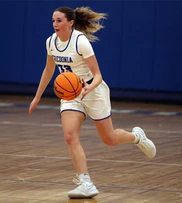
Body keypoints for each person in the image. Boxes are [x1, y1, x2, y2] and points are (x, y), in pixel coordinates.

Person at [28, 6, 156, 199]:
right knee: (70, 136)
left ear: (70, 22)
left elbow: (97, 75)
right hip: (70, 95)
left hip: (93, 90)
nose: (55, 24)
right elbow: (48, 70)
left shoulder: (80, 41)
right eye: (53, 20)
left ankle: (137, 137)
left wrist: (89, 88)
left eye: (59, 20)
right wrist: (37, 96)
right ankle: (85, 182)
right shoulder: (50, 42)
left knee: (109, 139)